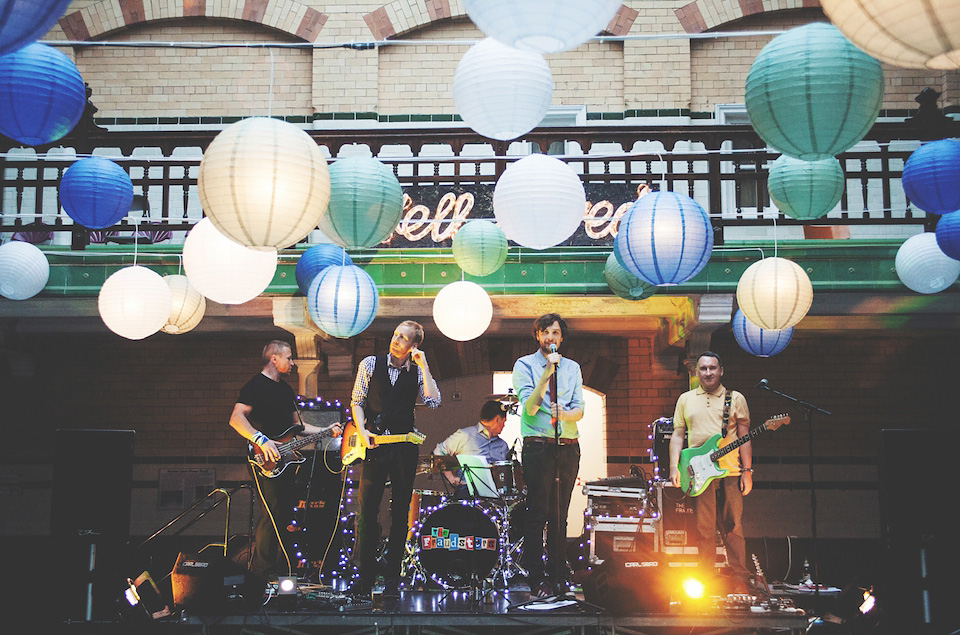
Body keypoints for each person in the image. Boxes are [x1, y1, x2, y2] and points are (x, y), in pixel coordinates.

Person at [229, 340, 342, 578]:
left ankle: (280, 569)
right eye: (289, 358)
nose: (292, 363)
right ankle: (263, 573)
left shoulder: (285, 389)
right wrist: (260, 439)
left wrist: (326, 429)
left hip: (286, 461)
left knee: (284, 514)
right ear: (274, 359)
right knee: (273, 512)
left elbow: (296, 426)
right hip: (263, 458)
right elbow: (236, 418)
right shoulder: (255, 385)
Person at [349, 320, 441, 596]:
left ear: (413, 345)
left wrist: (423, 365)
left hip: (403, 447)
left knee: (400, 512)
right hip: (375, 445)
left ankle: (391, 575)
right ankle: (365, 574)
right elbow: (357, 400)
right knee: (367, 512)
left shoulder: (416, 370)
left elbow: (434, 402)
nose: (396, 340)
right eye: (395, 335)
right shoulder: (370, 363)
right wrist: (362, 430)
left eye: (403, 338)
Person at [512, 313, 585, 598]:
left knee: (560, 514)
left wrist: (566, 414)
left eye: (555, 333)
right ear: (537, 336)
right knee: (538, 512)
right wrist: (546, 373)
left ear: (561, 337)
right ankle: (536, 577)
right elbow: (530, 407)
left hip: (568, 444)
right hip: (538, 446)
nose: (550, 337)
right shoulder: (524, 365)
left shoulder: (573, 367)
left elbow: (580, 407)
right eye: (545, 332)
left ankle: (557, 575)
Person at [669, 351, 753, 593]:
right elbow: (678, 435)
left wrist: (747, 470)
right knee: (704, 529)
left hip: (731, 471)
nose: (708, 372)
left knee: (733, 526)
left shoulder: (735, 399)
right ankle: (706, 581)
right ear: (697, 372)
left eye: (713, 368)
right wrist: (675, 466)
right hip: (699, 473)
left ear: (721, 371)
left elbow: (745, 437)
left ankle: (739, 580)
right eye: (703, 368)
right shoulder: (685, 399)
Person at [433, 399, 510, 498]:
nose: (504, 425)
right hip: (467, 492)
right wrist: (451, 477)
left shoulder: (503, 445)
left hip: (496, 495)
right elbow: (439, 452)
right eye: (504, 422)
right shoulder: (466, 435)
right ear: (497, 419)